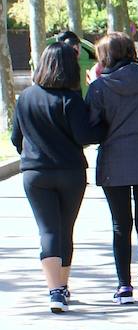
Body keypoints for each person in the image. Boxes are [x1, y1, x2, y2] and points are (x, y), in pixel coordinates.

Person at [11, 44, 106, 312]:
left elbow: (16, 139)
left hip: (35, 173)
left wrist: (32, 152)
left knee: (48, 230)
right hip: (70, 172)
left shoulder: (26, 97)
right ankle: (62, 286)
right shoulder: (71, 99)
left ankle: (55, 291)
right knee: (66, 229)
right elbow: (85, 136)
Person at [87, 32, 138, 305]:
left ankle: (124, 285)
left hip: (114, 161)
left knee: (120, 225)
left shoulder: (100, 87)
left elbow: (91, 125)